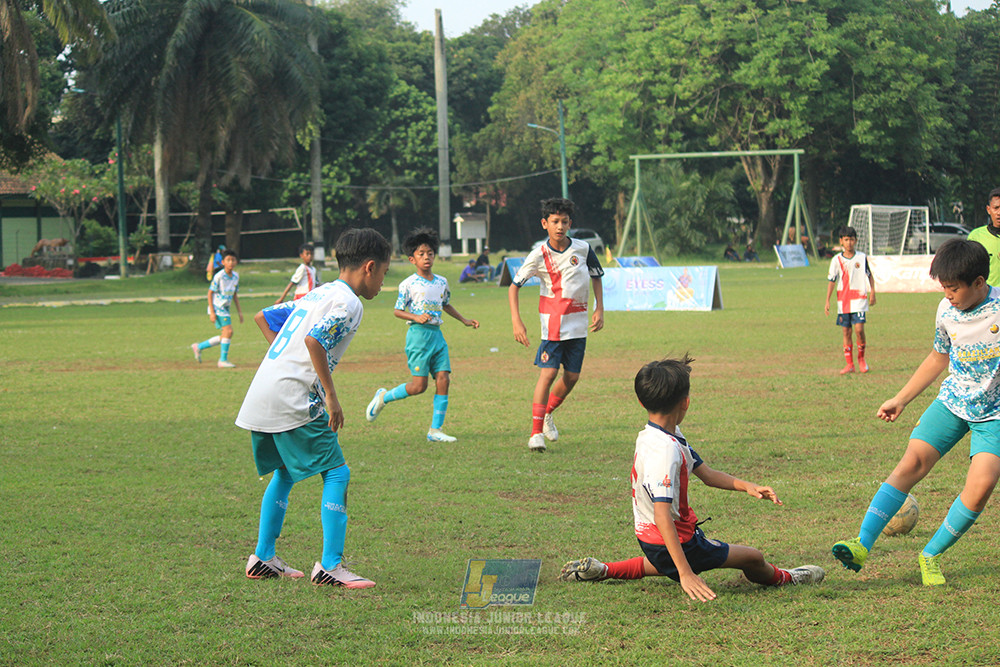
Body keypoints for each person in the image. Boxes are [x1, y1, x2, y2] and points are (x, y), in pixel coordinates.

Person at [559, 356, 825, 600]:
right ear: (685, 402)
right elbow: (662, 515)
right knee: (753, 557)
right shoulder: (665, 451)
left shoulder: (658, 435)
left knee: (663, 563)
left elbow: (707, 474)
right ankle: (788, 578)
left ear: (642, 402)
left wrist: (747, 486)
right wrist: (686, 573)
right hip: (677, 541)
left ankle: (603, 570)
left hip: (651, 539)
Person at [832, 239, 1000, 587]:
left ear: (979, 282)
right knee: (912, 463)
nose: (948, 295)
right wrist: (901, 399)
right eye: (944, 288)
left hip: (995, 415)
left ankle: (931, 555)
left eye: (954, 288)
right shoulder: (945, 310)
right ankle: (861, 544)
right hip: (953, 402)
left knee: (981, 486)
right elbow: (938, 356)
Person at [237, 228, 391, 588]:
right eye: (384, 273)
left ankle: (263, 558)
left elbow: (264, 317)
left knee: (285, 472)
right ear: (369, 267)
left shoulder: (319, 292)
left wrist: (285, 362)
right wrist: (331, 397)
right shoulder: (350, 303)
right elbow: (314, 341)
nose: (384, 282)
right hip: (294, 397)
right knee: (337, 473)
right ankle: (330, 566)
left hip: (263, 391)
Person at [365, 228, 480, 442]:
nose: (426, 257)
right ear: (412, 259)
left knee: (444, 379)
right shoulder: (408, 284)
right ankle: (383, 397)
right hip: (418, 337)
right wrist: (416, 317)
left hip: (437, 336)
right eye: (421, 254)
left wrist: (464, 320)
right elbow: (397, 310)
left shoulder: (442, 282)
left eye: (430, 253)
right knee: (419, 386)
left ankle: (435, 430)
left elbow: (445, 304)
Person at [509, 197, 604, 452]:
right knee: (548, 373)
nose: (560, 226)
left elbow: (596, 277)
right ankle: (535, 433)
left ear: (570, 223)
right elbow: (513, 287)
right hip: (552, 325)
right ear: (545, 224)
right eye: (554, 222)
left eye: (564, 221)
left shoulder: (583, 249)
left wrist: (599, 308)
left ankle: (547, 413)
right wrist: (517, 321)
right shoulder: (539, 255)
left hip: (578, 325)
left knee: (572, 377)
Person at [823, 226, 876, 374]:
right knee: (846, 332)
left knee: (859, 330)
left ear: (856, 240)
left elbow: (869, 275)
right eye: (846, 240)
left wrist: (872, 292)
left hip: (859, 300)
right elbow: (832, 280)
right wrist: (827, 300)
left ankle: (861, 359)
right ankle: (849, 364)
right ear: (841, 241)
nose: (849, 243)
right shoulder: (836, 260)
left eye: (851, 239)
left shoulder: (861, 257)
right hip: (844, 301)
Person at [192, 249, 243, 368]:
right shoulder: (219, 276)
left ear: (236, 262)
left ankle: (198, 347)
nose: (231, 262)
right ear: (223, 262)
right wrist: (212, 312)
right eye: (228, 260)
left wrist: (239, 312)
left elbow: (235, 295)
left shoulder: (236, 276)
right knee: (228, 332)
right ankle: (222, 360)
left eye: (233, 260)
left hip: (226, 308)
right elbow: (210, 293)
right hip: (218, 307)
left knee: (225, 335)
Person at [965, 187, 1000, 286]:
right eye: (996, 208)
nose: (999, 213)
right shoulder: (976, 236)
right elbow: (968, 269)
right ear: (989, 209)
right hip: (987, 293)